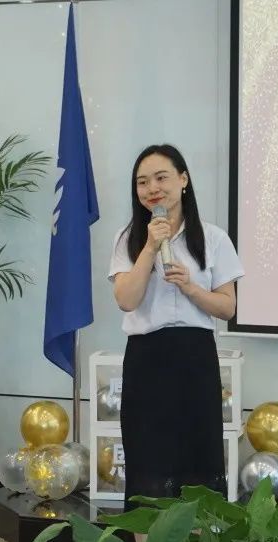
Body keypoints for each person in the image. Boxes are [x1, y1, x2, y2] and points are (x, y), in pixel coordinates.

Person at [108, 144, 244, 511]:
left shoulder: (213, 238)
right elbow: (126, 299)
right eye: (142, 182)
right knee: (148, 463)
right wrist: (150, 247)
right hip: (147, 360)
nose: (152, 188)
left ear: (183, 180)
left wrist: (191, 288)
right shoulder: (128, 238)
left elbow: (227, 306)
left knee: (197, 463)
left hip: (194, 359)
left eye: (161, 178)